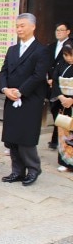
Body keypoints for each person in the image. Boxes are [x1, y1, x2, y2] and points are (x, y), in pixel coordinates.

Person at [0, 13, 49, 186]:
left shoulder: (41, 50)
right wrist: (6, 89)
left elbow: (38, 76)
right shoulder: (12, 49)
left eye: (23, 25)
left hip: (29, 99)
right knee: (12, 137)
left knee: (26, 137)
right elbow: (4, 71)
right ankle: (17, 171)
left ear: (33, 26)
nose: (19, 29)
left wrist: (20, 92)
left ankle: (33, 169)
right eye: (17, 25)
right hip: (11, 98)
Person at [46, 22, 72, 150]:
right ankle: (62, 152)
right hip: (59, 93)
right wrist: (60, 96)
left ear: (68, 31)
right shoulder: (52, 48)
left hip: (70, 96)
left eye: (62, 30)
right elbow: (54, 77)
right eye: (57, 30)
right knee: (60, 120)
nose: (58, 32)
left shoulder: (70, 44)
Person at [50, 41, 73, 172]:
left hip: (71, 102)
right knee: (63, 133)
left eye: (71, 55)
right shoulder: (61, 65)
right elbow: (55, 82)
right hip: (63, 104)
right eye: (66, 55)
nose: (68, 58)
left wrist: (72, 100)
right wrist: (61, 97)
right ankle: (65, 161)